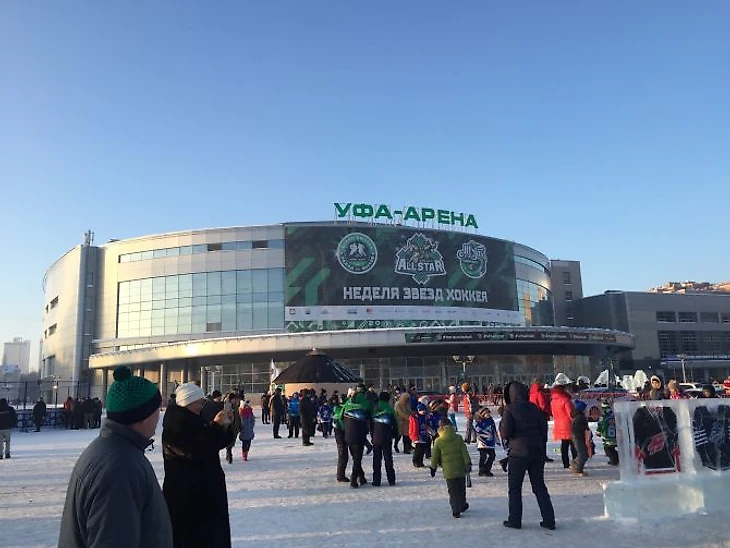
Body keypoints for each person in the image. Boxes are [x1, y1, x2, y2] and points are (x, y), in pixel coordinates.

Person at [57, 366, 172, 548]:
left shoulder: (114, 451)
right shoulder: (120, 468)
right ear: (143, 416)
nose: (159, 418)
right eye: (157, 411)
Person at [162, 382, 235, 548]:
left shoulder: (194, 420)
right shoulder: (176, 424)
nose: (202, 405)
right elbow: (195, 449)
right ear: (188, 402)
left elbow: (213, 442)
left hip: (203, 493)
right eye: (199, 402)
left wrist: (225, 427)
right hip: (189, 498)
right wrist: (215, 426)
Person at [499, 381, 555, 531]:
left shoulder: (510, 410)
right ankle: (549, 520)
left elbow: (505, 433)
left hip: (518, 453)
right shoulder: (535, 409)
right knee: (539, 486)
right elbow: (543, 432)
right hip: (536, 451)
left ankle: (515, 520)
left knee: (515, 488)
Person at [429, 418, 471, 518]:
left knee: (453, 491)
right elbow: (464, 452)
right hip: (460, 468)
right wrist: (467, 463)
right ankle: (462, 505)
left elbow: (435, 456)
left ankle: (456, 510)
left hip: (449, 471)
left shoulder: (438, 441)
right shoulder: (458, 438)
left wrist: (433, 467)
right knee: (461, 489)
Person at [342, 384, 372, 488]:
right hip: (359, 435)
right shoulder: (365, 405)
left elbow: (340, 418)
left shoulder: (347, 404)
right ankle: (354, 479)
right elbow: (370, 419)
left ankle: (362, 477)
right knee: (357, 459)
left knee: (355, 458)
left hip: (348, 435)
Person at [371, 391, 398, 486]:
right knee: (388, 459)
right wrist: (395, 434)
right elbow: (395, 424)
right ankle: (391, 480)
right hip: (387, 437)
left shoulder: (374, 409)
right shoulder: (390, 409)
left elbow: (370, 424)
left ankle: (376, 480)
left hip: (376, 437)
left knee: (376, 459)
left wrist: (372, 434)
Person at [550, 374, 576, 469]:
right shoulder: (565, 399)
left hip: (559, 424)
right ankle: (575, 462)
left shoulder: (553, 400)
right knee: (574, 445)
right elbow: (570, 413)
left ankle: (565, 463)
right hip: (568, 424)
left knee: (564, 445)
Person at [529, 378, 553, 462]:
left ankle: (536, 455)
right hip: (541, 416)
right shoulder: (539, 393)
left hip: (533, 416)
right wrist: (551, 412)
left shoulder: (531, 393)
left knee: (536, 437)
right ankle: (543, 455)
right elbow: (543, 405)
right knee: (543, 438)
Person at [474, 406, 499, 477]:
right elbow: (478, 430)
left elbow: (494, 431)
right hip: (482, 443)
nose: (488, 414)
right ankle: (481, 470)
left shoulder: (491, 421)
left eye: (489, 413)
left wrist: (497, 440)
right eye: (486, 413)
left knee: (492, 456)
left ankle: (487, 469)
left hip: (490, 442)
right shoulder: (479, 422)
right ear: (482, 414)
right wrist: (484, 433)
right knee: (483, 456)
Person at [570, 401, 592, 476]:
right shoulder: (579, 417)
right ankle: (578, 470)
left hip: (580, 437)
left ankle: (575, 464)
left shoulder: (580, 417)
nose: (586, 410)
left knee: (585, 453)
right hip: (578, 438)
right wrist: (585, 433)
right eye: (585, 409)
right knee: (582, 454)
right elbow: (576, 429)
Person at [332, 395, 350, 483]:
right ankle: (340, 475)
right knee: (343, 455)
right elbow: (341, 421)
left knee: (343, 455)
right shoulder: (340, 410)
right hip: (340, 434)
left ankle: (340, 474)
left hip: (339, 434)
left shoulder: (336, 409)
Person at [597, 399, 619, 465]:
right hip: (615, 436)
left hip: (607, 436)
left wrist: (598, 432)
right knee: (612, 449)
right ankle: (616, 459)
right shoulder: (614, 415)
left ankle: (613, 461)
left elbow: (600, 425)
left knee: (608, 449)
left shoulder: (603, 417)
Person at [409, 402, 430, 468]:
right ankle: (415, 461)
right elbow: (412, 428)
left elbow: (427, 426)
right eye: (421, 410)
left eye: (424, 410)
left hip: (423, 435)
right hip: (417, 436)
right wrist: (414, 436)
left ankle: (420, 461)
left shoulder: (425, 417)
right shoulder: (415, 418)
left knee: (422, 450)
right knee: (418, 450)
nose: (423, 412)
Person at [225, 393, 241, 464]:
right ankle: (229, 454)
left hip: (235, 426)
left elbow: (238, 416)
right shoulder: (227, 406)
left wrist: (240, 425)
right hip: (229, 427)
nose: (235, 400)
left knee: (232, 441)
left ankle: (228, 452)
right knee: (229, 441)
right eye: (234, 399)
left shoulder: (235, 406)